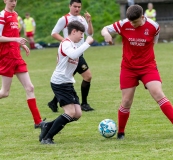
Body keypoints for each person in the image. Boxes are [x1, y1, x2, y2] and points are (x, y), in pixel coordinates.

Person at [101, 4, 173, 139]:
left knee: (158, 93)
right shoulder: (124, 24)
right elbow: (105, 29)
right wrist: (106, 34)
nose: (132, 25)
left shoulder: (154, 26)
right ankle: (121, 132)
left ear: (142, 16)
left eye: (135, 22)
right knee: (127, 101)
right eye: (131, 22)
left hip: (148, 66)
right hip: (128, 68)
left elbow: (153, 43)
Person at [39, 20, 94, 144]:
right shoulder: (66, 43)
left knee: (77, 114)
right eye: (81, 33)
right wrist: (86, 43)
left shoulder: (72, 45)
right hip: (60, 83)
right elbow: (74, 55)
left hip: (67, 82)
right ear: (73, 31)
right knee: (70, 112)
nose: (82, 36)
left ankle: (47, 125)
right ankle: (48, 138)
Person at [0, 0, 45, 129]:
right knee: (4, 92)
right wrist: (15, 39)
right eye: (11, 0)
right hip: (6, 57)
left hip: (17, 56)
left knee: (30, 87)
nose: (13, 2)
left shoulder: (15, 15)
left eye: (15, 0)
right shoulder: (2, 15)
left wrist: (22, 44)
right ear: (5, 0)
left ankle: (38, 122)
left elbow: (15, 34)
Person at [48, 0, 94, 112]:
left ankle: (54, 102)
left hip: (78, 54)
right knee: (87, 76)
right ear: (70, 6)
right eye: (75, 6)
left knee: (67, 79)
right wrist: (66, 42)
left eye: (79, 7)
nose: (77, 9)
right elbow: (54, 33)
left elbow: (90, 34)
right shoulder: (64, 19)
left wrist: (89, 21)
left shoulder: (82, 19)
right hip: (70, 55)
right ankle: (84, 103)